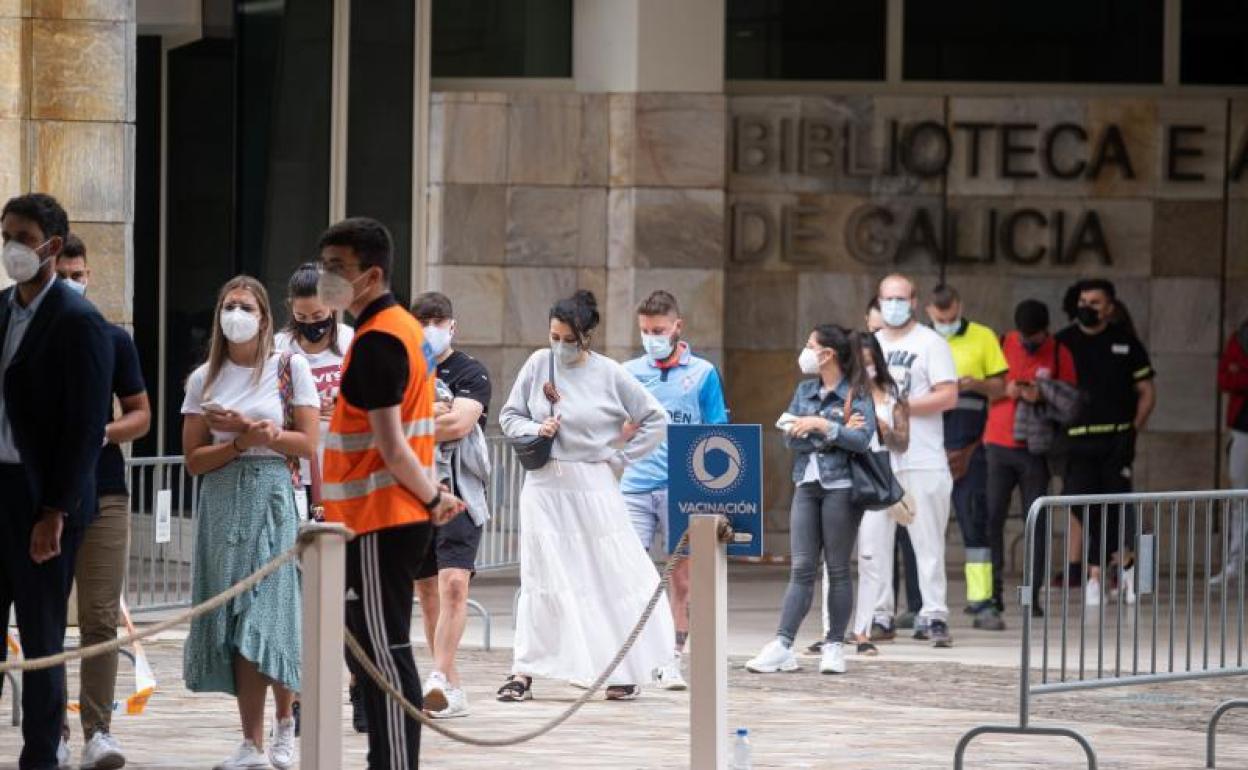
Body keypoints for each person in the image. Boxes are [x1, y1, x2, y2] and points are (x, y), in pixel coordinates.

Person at [318, 218, 464, 770]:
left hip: (383, 517)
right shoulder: (399, 328)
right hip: (378, 517)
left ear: (371, 274)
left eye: (338, 269)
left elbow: (392, 444)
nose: (327, 277)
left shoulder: (380, 338)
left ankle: (396, 762)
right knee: (378, 648)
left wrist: (432, 499)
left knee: (385, 651)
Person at [497, 290, 672, 703]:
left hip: (594, 485)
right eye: (554, 336)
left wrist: (619, 458)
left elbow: (654, 417)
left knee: (608, 574)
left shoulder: (610, 373)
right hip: (545, 484)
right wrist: (533, 431)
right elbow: (509, 415)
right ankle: (523, 671)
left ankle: (622, 668)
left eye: (567, 338)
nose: (559, 345)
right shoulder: (538, 363)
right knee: (541, 578)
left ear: (586, 336)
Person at [180, 275, 318, 770]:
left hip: (272, 494)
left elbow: (308, 443)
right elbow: (193, 458)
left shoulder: (288, 367)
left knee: (270, 613)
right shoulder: (204, 378)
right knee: (236, 618)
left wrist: (265, 434)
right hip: (222, 497)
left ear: (264, 315)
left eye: (245, 306)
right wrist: (236, 441)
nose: (235, 314)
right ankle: (251, 741)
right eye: (228, 305)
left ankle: (286, 726)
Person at [0, 193, 113, 770]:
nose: (11, 248)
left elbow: (85, 426)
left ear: (50, 244)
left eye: (22, 237)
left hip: (42, 499)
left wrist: (54, 511)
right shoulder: (0, 309)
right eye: (5, 236)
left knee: (43, 637)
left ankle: (42, 755)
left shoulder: (79, 321)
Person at [55, 234, 152, 770]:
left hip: (106, 489)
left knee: (99, 616)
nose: (73, 280)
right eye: (64, 271)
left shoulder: (112, 339)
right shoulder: (30, 335)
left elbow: (141, 413)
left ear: (88, 275)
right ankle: (55, 732)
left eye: (79, 272)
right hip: (43, 490)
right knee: (45, 618)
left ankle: (98, 729)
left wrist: (103, 432)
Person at [745, 324, 875, 675]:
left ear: (827, 354)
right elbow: (790, 438)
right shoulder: (805, 390)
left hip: (842, 488)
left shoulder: (857, 392)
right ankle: (783, 644)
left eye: (810, 345)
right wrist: (830, 430)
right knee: (801, 567)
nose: (804, 352)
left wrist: (819, 424)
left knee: (837, 568)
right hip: (806, 482)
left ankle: (834, 645)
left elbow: (862, 439)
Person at [620, 290, 729, 690]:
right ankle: (629, 656)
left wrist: (715, 493)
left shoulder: (702, 373)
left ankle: (671, 657)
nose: (652, 337)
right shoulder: (628, 371)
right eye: (646, 331)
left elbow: (717, 432)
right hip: (634, 482)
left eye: (659, 330)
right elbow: (616, 424)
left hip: (683, 485)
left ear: (677, 327)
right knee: (629, 570)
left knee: (681, 577)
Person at [410, 291, 493, 720]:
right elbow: (390, 424)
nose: (430, 328)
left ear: (452, 325)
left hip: (460, 491)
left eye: (437, 320)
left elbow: (460, 423)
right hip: (413, 492)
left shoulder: (471, 372)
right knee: (427, 594)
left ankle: (438, 677)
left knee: (454, 585)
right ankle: (451, 686)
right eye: (422, 320)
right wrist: (431, 412)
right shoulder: (403, 370)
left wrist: (413, 420)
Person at [1056, 278, 1156, 607]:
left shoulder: (1126, 343)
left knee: (1114, 506)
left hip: (1115, 439)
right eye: (1084, 302)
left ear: (1109, 307)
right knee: (1081, 505)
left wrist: (1132, 430)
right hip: (1076, 441)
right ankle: (1122, 561)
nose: (1087, 308)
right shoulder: (1063, 342)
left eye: (1095, 303)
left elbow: (1147, 393)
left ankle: (1097, 575)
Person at [872, 274, 958, 647]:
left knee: (927, 542)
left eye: (901, 298)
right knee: (874, 543)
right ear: (878, 301)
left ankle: (933, 614)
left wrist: (899, 405)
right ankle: (879, 614)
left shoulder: (930, 343)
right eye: (888, 298)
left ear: (913, 300)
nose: (894, 305)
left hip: (922, 457)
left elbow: (948, 395)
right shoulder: (870, 345)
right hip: (877, 457)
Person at [984, 300, 1077, 617]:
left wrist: (1043, 394)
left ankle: (1030, 596)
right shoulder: (1001, 342)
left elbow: (1070, 401)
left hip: (1035, 451)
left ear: (1045, 331)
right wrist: (1004, 390)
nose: (1027, 341)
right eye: (1024, 335)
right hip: (997, 443)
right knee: (991, 520)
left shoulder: (1057, 352)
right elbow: (983, 386)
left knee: (1036, 522)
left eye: (1034, 337)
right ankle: (989, 595)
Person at [925, 284, 1008, 631]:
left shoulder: (983, 336)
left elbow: (1002, 387)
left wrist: (975, 384)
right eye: (940, 317)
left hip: (970, 447)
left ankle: (981, 601)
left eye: (952, 316)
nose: (947, 322)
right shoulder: (920, 341)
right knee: (922, 528)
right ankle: (922, 605)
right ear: (929, 311)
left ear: (960, 306)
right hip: (927, 448)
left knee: (976, 523)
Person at [274, 262, 355, 513]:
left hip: (342, 468)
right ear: (291, 309)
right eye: (302, 317)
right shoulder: (279, 347)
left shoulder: (350, 340)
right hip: (292, 470)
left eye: (318, 316)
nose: (311, 324)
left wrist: (346, 403)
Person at [848, 331, 909, 656]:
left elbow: (903, 440)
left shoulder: (891, 395)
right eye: (862, 360)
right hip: (843, 481)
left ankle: (864, 628)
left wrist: (884, 429)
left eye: (872, 359)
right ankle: (834, 628)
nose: (868, 366)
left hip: (876, 482)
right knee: (837, 559)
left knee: (871, 556)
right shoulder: (842, 393)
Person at [1217, 317, 1248, 584]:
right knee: (1240, 497)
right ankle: (1235, 564)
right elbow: (1227, 378)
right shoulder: (1240, 337)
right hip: (1243, 429)